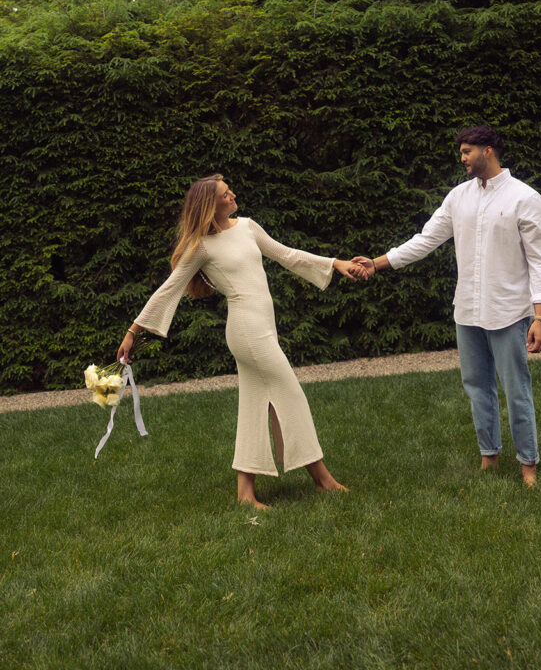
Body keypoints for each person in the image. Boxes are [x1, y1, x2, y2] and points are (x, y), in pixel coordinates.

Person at [118, 173, 367, 509]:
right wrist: (134, 331)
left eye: (229, 189)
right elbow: (170, 288)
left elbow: (288, 255)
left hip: (263, 326)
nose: (232, 194)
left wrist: (334, 263)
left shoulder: (248, 226)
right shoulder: (202, 247)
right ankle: (322, 480)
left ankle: (245, 493)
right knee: (291, 396)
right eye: (224, 194)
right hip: (247, 331)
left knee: (253, 406)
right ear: (210, 205)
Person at [353, 125, 541, 486]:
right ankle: (488, 458)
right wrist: (377, 262)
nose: (461, 158)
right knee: (477, 386)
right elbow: (425, 240)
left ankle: (529, 465)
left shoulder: (525, 198)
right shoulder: (458, 197)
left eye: (466, 151)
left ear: (488, 151)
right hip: (467, 311)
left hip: (509, 313)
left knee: (516, 390)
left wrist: (540, 316)